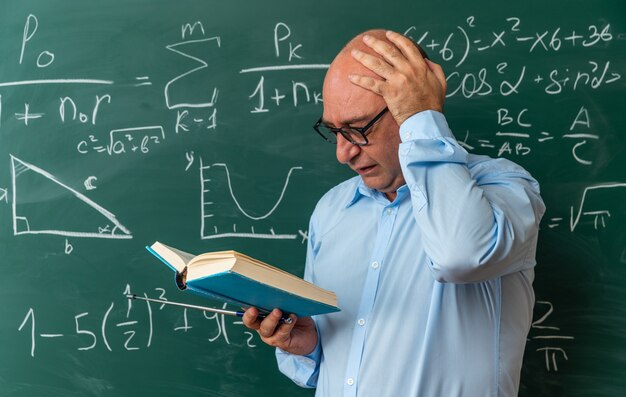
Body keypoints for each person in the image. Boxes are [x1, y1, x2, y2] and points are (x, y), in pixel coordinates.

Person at [243, 29, 545, 397]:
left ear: (409, 108)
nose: (343, 153)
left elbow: (461, 256)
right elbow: (333, 362)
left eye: (357, 129)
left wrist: (423, 115)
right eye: (333, 131)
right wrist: (308, 345)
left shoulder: (506, 188)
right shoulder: (332, 210)